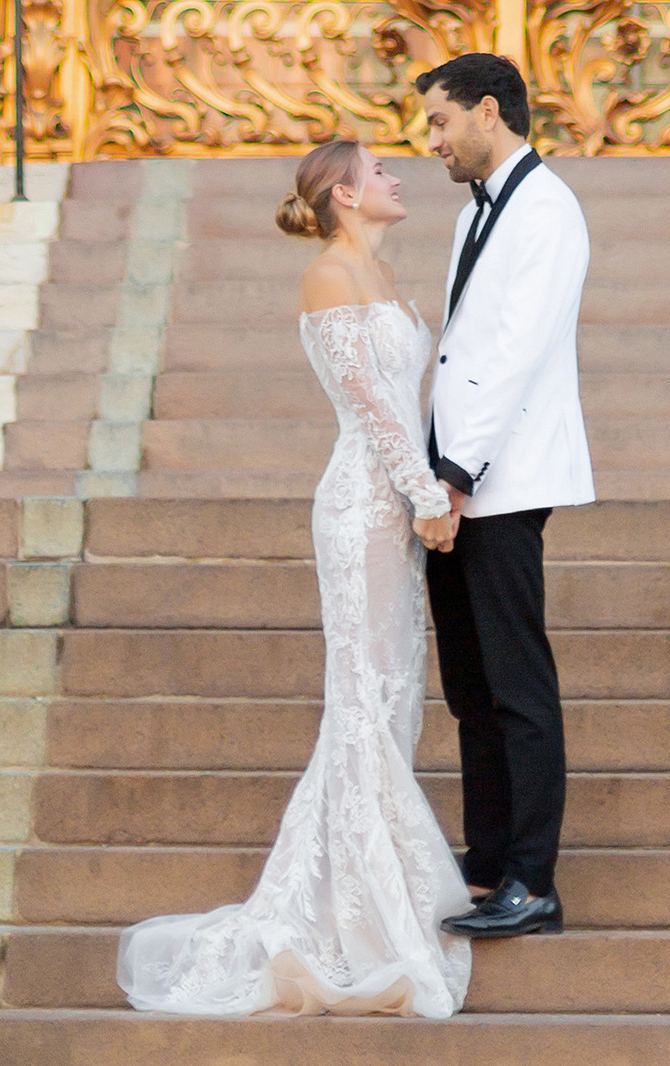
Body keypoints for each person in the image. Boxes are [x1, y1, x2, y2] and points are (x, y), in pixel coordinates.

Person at [114, 136, 473, 1019]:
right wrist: (428, 491)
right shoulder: (329, 277)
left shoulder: (380, 275)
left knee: (389, 697)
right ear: (346, 194)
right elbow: (371, 404)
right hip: (361, 506)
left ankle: (364, 886)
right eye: (380, 170)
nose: (396, 177)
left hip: (398, 510)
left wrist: (427, 496)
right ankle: (357, 909)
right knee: (360, 696)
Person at [418, 51, 592, 942]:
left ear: (490, 111)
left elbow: (516, 352)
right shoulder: (472, 216)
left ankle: (533, 879)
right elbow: (461, 351)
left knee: (517, 681)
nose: (432, 141)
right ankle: (487, 861)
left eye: (442, 122)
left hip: (504, 478)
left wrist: (454, 477)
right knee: (471, 684)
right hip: (457, 474)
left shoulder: (548, 212)